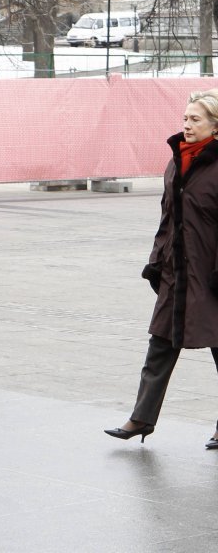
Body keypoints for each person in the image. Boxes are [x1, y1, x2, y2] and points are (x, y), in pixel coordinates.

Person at [106, 90, 218, 449]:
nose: (186, 125)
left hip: (212, 277)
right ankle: (141, 418)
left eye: (195, 119)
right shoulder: (176, 162)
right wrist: (156, 262)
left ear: (215, 125)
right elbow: (167, 217)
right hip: (176, 274)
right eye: (185, 118)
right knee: (160, 347)